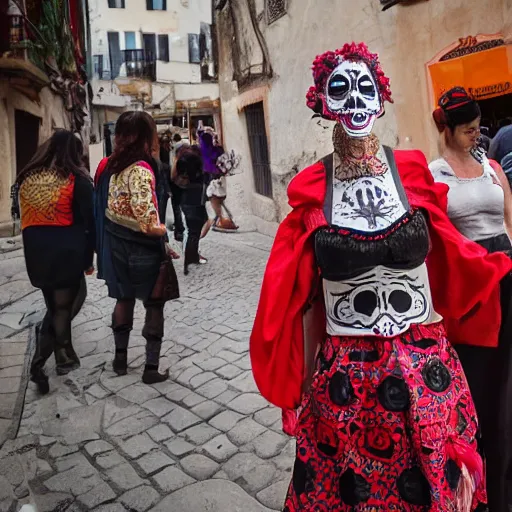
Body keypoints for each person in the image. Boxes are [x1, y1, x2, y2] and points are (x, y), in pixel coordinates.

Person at [250, 42, 512, 511]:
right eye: (340, 89)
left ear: (381, 97)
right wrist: (299, 388)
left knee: (437, 486)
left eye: (364, 87)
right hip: (348, 376)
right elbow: (300, 299)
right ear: (323, 102)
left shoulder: (412, 172)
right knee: (359, 493)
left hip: (426, 365)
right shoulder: (311, 188)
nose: (354, 101)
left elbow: (451, 260)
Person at [430, 87, 512, 510]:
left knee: (507, 391)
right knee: (478, 390)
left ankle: (504, 485)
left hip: (507, 279)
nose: (476, 138)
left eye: (479, 130)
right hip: (471, 291)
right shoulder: (434, 174)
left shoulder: (492, 167)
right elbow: (436, 243)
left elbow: (509, 222)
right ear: (445, 128)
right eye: (467, 131)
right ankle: (472, 487)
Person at [95, 111, 179, 385]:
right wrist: (164, 232)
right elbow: (147, 222)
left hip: (116, 246)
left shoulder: (111, 167)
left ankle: (120, 360)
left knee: (124, 299)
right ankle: (150, 369)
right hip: (143, 250)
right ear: (145, 136)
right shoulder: (142, 169)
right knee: (154, 304)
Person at [17, 130, 94, 395]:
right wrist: (88, 258)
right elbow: (90, 220)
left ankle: (64, 353)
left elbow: (19, 214)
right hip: (66, 251)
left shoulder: (26, 178)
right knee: (62, 307)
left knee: (55, 304)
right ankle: (46, 361)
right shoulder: (75, 179)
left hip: (36, 253)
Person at [172, 144, 209, 274]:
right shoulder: (196, 162)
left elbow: (173, 177)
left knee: (194, 228)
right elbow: (203, 176)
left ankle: (192, 255)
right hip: (195, 198)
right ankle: (191, 257)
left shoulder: (181, 164)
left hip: (185, 198)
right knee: (194, 230)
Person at [198, 123, 239, 232]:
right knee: (218, 198)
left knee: (214, 198)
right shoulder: (215, 149)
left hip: (210, 175)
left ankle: (220, 220)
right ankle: (220, 220)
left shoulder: (203, 149)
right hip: (217, 175)